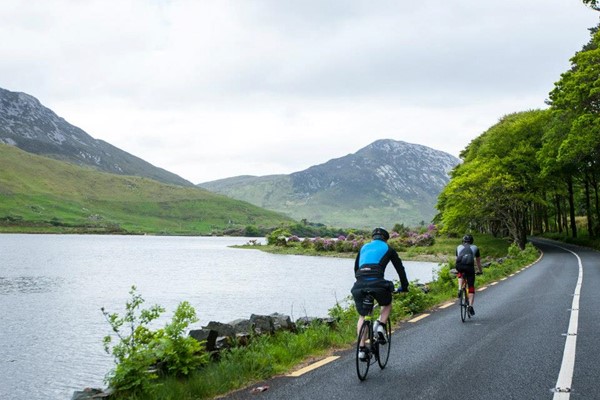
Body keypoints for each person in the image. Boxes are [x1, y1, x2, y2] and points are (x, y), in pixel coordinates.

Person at [351, 227, 409, 360]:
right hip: (378, 284)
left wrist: (362, 282)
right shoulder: (388, 248)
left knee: (363, 315)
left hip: (359, 285)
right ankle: (381, 326)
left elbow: (356, 269)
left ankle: (361, 349)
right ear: (385, 239)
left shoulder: (363, 247)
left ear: (373, 237)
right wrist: (404, 286)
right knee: (387, 303)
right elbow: (400, 269)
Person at [455, 234, 482, 316]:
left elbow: (457, 259)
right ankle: (470, 305)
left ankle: (460, 288)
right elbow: (478, 262)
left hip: (459, 265)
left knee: (460, 273)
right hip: (469, 267)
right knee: (471, 286)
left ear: (463, 241)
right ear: (472, 241)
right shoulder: (475, 248)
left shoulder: (458, 247)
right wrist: (480, 271)